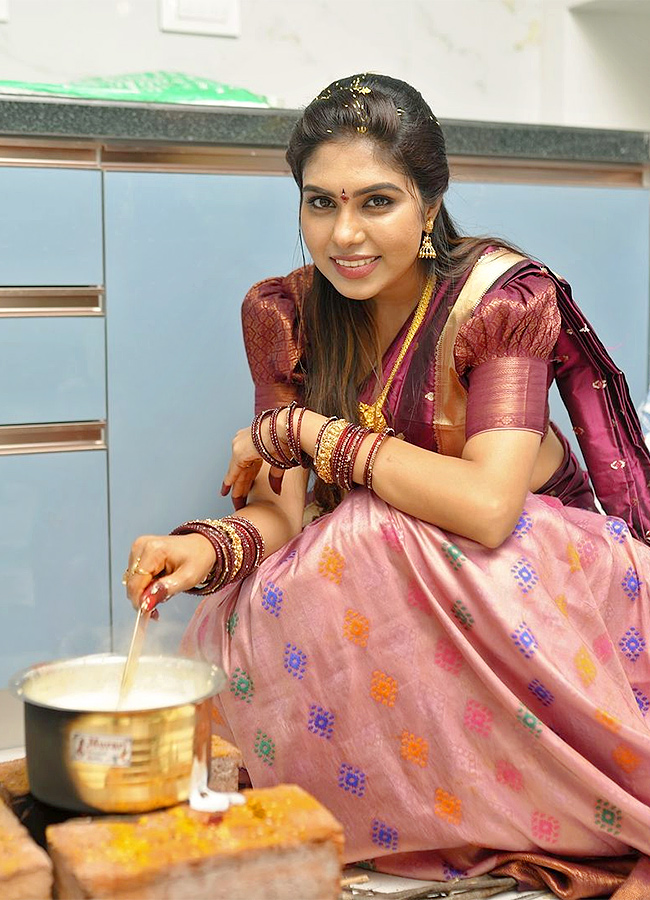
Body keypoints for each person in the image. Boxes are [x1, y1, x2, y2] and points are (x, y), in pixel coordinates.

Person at [125, 74, 650, 896]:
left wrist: (307, 432)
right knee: (252, 604)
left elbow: (488, 508)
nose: (344, 235)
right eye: (319, 204)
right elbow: (282, 513)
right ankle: (406, 812)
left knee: (370, 531)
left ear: (429, 205)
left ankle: (586, 809)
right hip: (416, 583)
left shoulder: (501, 301)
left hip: (544, 586)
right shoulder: (285, 314)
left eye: (377, 202)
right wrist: (206, 549)